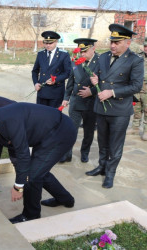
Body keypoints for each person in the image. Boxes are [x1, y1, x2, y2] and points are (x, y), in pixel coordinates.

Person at [0, 101, 76, 223]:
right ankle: (65, 199)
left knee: (31, 176)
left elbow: (23, 154)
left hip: (60, 132)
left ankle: (30, 216)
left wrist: (18, 187)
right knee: (38, 170)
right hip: (45, 134)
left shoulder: (9, 121)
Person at [86, 24, 144, 188]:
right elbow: (98, 75)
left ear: (127, 42)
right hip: (101, 107)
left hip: (119, 110)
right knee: (102, 141)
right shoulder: (103, 57)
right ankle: (102, 167)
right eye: (112, 41)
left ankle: (110, 174)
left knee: (115, 145)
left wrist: (112, 92)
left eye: (117, 42)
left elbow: (136, 86)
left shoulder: (135, 60)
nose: (112, 45)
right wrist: (95, 80)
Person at [60, 38, 99, 163]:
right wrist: (66, 98)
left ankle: (85, 152)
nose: (82, 54)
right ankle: (67, 154)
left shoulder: (100, 61)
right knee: (71, 129)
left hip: (91, 103)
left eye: (85, 51)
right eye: (80, 51)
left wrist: (91, 91)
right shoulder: (76, 62)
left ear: (93, 49)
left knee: (88, 131)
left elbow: (104, 82)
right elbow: (70, 82)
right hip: (76, 101)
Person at [32, 31, 71, 108]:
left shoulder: (63, 54)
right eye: (46, 43)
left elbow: (68, 72)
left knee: (54, 117)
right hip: (42, 92)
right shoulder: (41, 54)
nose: (48, 45)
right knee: (40, 116)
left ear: (56, 42)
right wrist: (36, 83)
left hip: (56, 92)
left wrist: (55, 80)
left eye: (50, 43)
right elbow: (35, 71)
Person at [130, 42, 147, 140]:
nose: (146, 48)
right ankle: (135, 128)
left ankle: (146, 131)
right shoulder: (139, 57)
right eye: (145, 46)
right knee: (136, 110)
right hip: (138, 89)